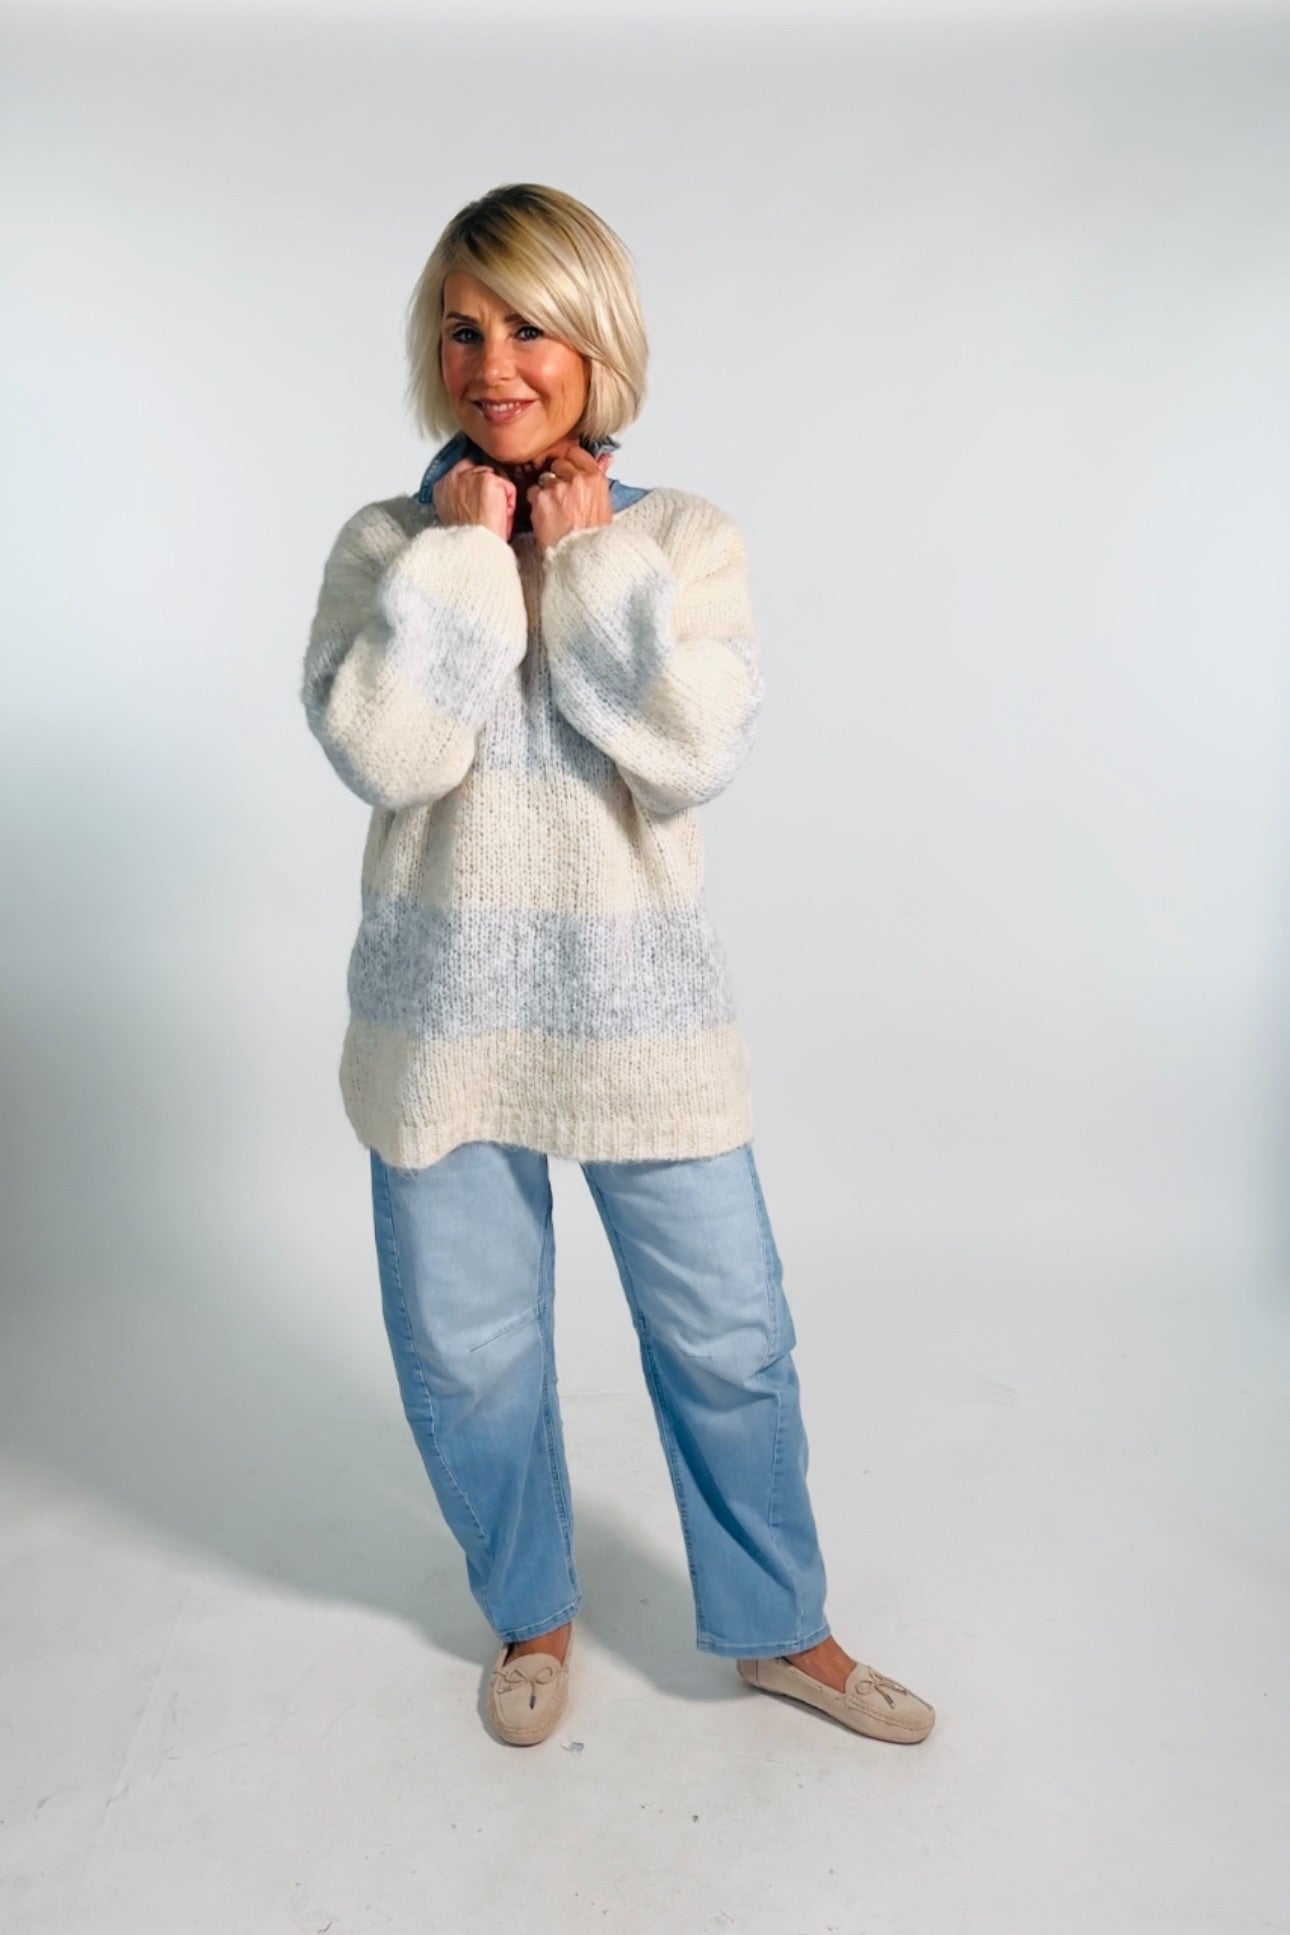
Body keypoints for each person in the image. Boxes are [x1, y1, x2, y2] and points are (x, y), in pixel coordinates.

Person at [301, 182, 935, 1749]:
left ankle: (780, 1629)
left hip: (644, 1024)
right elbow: (390, 755)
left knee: (729, 1337)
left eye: (529, 326)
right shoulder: (386, 545)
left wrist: (584, 568)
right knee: (471, 1352)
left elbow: (687, 754)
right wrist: (464, 563)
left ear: (596, 340)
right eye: (462, 330)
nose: (492, 364)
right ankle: (530, 1610)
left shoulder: (681, 539)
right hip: (441, 1027)